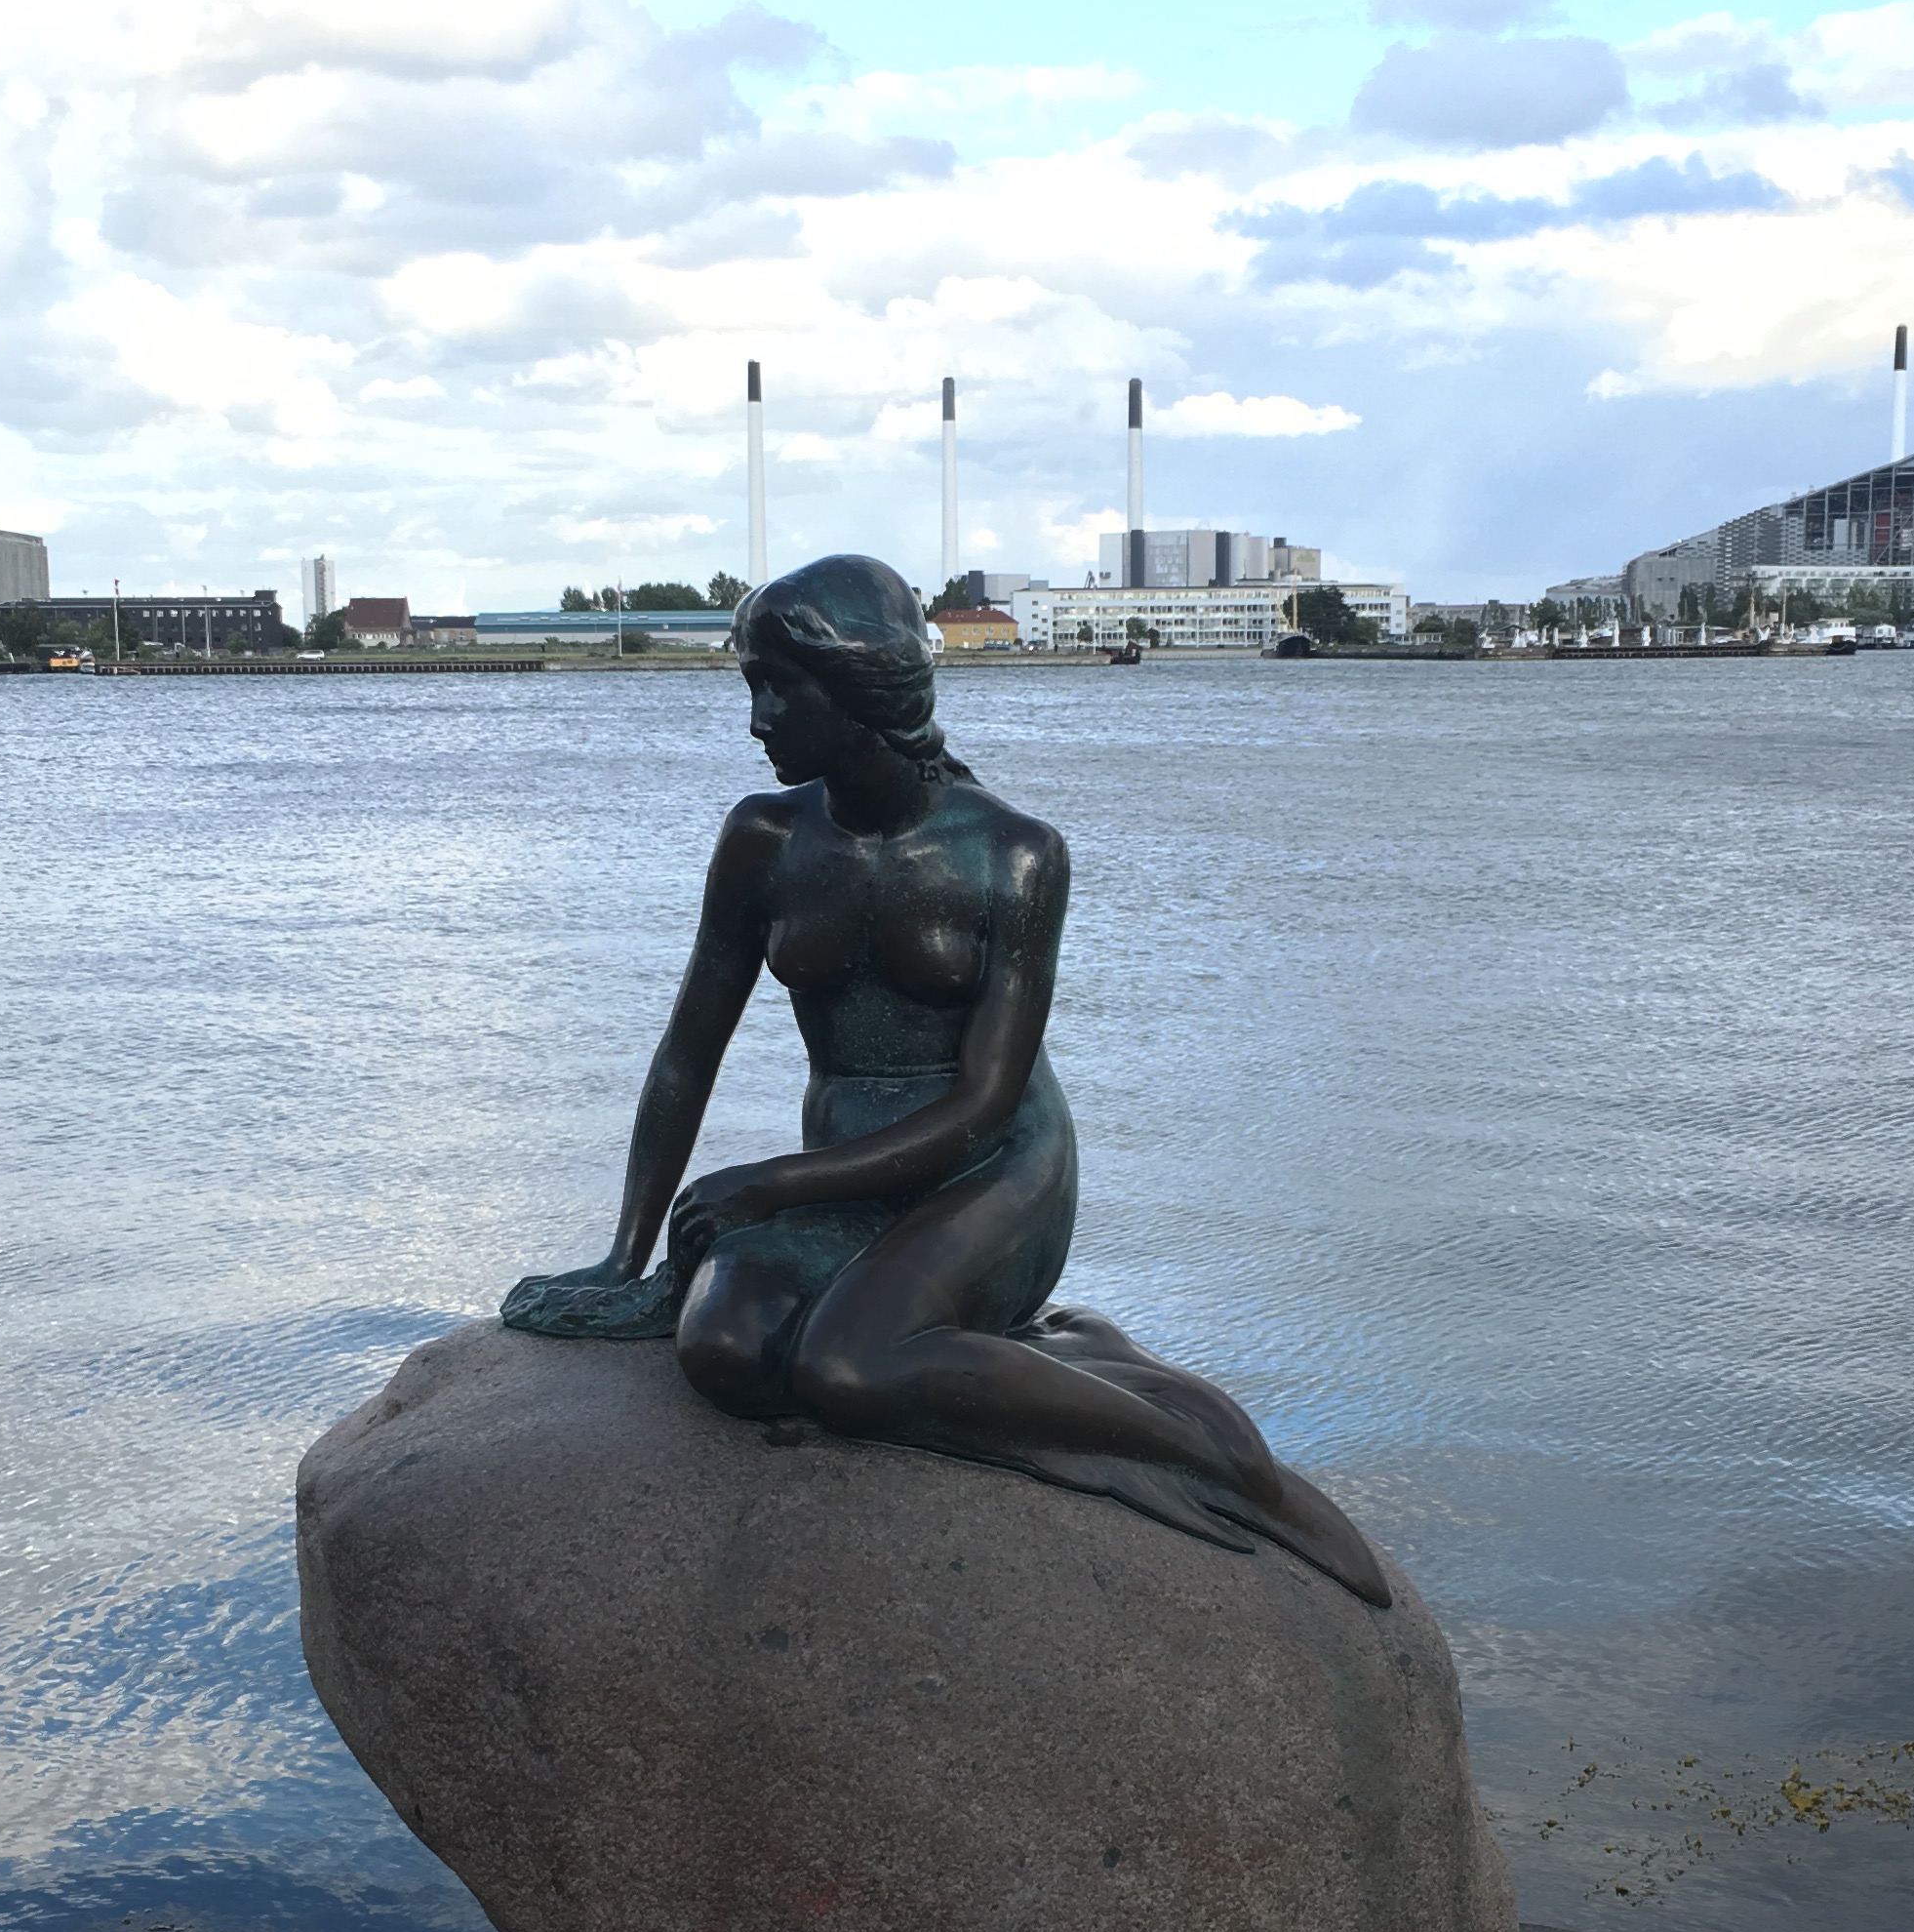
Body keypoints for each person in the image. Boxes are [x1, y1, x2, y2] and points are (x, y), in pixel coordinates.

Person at [505, 552, 1386, 1601]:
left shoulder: (1013, 854)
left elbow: (985, 1105)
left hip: (994, 1171)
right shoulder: (763, 840)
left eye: (779, 688)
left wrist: (769, 1185)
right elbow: (688, 1052)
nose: (757, 719)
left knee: (846, 1365)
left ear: (862, 688)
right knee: (726, 1351)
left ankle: (1219, 1463)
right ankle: (1030, 1351)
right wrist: (625, 1257)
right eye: (753, 685)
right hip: (850, 1172)